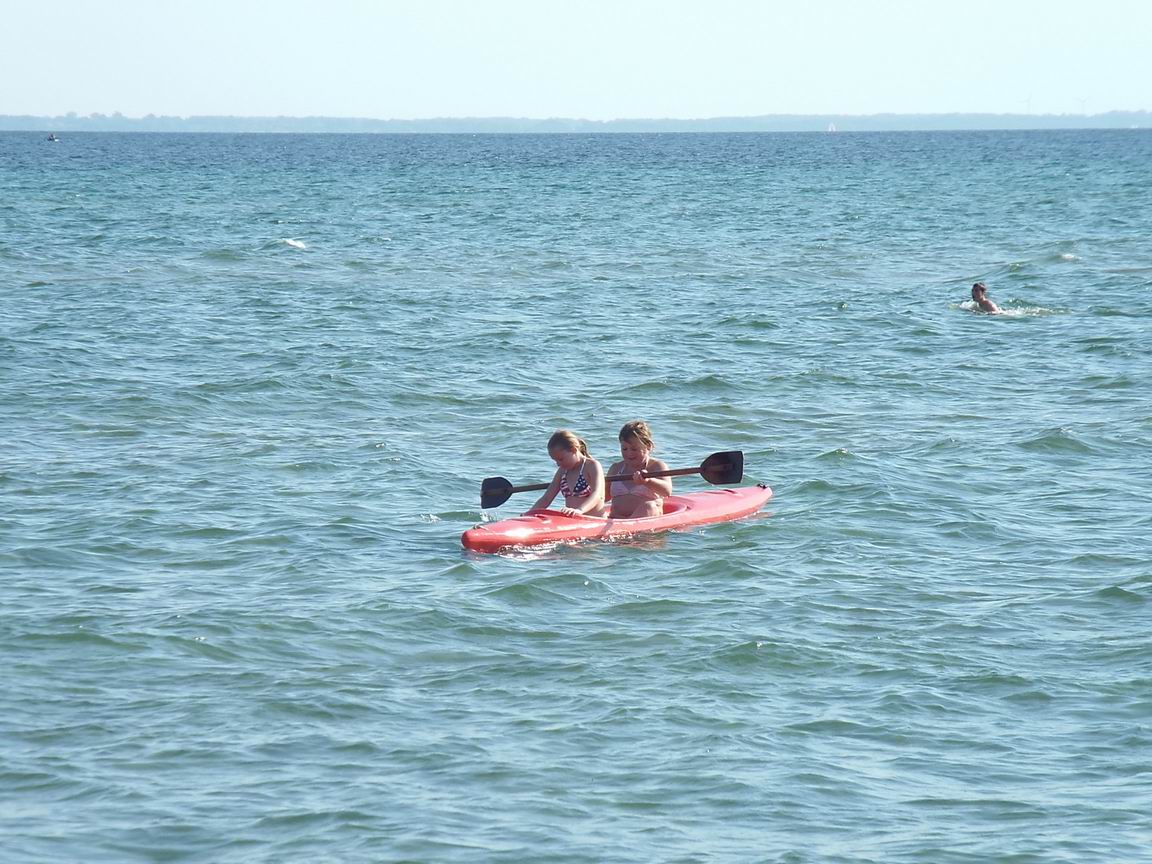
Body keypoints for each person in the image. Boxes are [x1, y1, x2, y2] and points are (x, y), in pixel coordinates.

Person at [526, 430, 606, 517]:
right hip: (573, 520)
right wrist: (529, 514)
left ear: (573, 450)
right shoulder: (562, 471)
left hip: (594, 520)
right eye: (555, 460)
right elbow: (546, 498)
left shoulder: (592, 466)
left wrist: (579, 510)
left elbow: (597, 495)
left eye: (561, 459)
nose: (558, 464)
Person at [604, 420, 672, 519]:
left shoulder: (657, 466)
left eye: (634, 449)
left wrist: (648, 481)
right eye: (624, 449)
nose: (629, 453)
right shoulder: (616, 468)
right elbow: (603, 497)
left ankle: (628, 526)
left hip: (647, 518)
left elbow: (667, 491)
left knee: (649, 506)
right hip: (616, 519)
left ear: (648, 447)